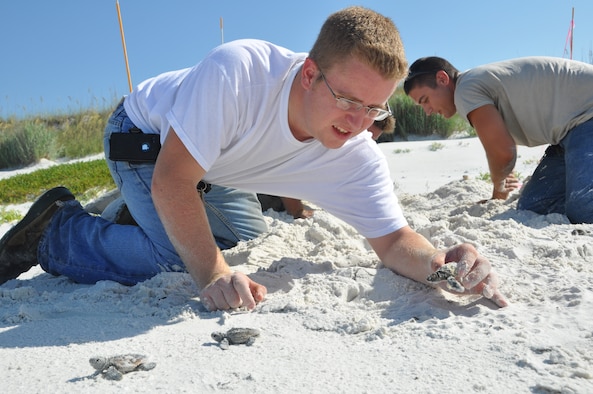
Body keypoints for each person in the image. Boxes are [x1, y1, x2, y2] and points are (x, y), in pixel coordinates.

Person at [0, 7, 507, 309]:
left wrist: (443, 266)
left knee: (246, 234)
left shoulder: (356, 150)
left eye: (374, 108)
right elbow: (174, 181)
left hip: (214, 163)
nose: (358, 124)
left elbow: (395, 242)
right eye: (348, 100)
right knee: (179, 258)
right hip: (145, 138)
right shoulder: (239, 72)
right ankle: (58, 231)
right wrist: (215, 277)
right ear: (309, 74)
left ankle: (130, 215)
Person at [403, 56, 593, 224]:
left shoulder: (465, 89)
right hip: (568, 133)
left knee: (583, 208)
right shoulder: (474, 84)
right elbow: (504, 150)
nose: (427, 111)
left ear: (442, 79)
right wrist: (500, 189)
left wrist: (497, 194)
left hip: (586, 117)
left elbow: (503, 152)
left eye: (424, 100)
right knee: (534, 205)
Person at [258, 116, 396, 219]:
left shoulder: (349, 149)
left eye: (372, 140)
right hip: (259, 188)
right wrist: (297, 211)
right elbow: (286, 171)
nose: (365, 143)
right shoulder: (320, 130)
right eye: (366, 135)